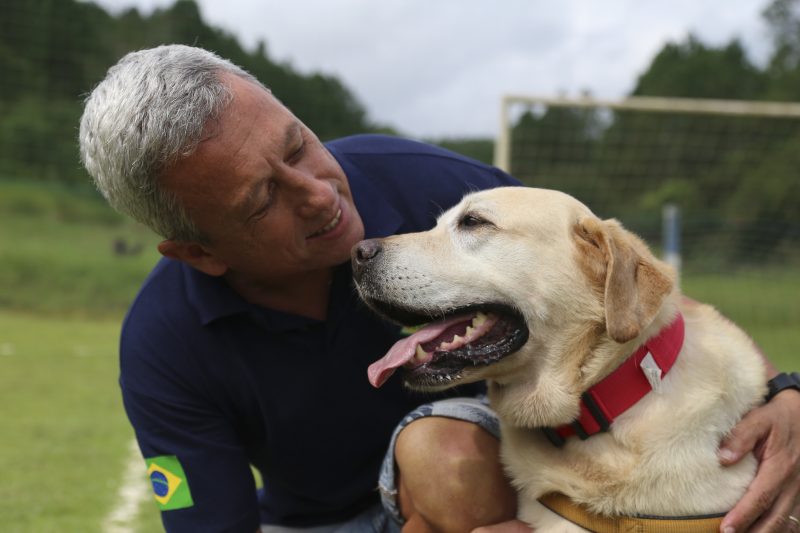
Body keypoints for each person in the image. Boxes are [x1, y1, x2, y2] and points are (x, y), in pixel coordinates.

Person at [79, 44, 800, 533]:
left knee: (444, 450)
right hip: (319, 520)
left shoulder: (427, 184)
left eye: (298, 144)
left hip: (479, 480)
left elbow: (616, 281)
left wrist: (784, 391)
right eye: (261, 199)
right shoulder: (160, 348)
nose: (319, 195)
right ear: (198, 252)